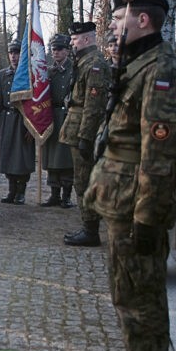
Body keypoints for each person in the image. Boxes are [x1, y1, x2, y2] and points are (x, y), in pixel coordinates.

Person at [84, 0, 176, 351]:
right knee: (126, 291)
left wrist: (147, 218)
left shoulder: (162, 71)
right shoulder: (137, 65)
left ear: (142, 21)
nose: (112, 26)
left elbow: (162, 156)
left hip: (137, 208)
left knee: (142, 295)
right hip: (121, 202)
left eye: (118, 19)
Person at [59, 21, 111, 246]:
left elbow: (93, 105)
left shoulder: (95, 64)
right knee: (81, 180)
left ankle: (91, 230)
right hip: (75, 124)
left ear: (88, 39)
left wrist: (85, 136)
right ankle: (88, 226)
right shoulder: (82, 61)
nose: (71, 43)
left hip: (83, 128)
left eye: (75, 39)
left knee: (84, 180)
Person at [0, 41, 34, 204]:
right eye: (11, 53)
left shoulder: (29, 74)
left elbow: (35, 102)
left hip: (23, 120)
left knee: (22, 157)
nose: (13, 56)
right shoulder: (2, 75)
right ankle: (11, 190)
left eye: (17, 53)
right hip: (7, 118)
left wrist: (32, 126)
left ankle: (21, 191)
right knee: (8, 155)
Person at [41, 34, 75, 208]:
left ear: (67, 50)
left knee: (66, 157)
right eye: (53, 49)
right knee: (52, 156)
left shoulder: (74, 69)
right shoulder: (48, 72)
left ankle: (66, 195)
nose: (56, 52)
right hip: (51, 115)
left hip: (69, 115)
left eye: (60, 49)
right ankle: (54, 194)